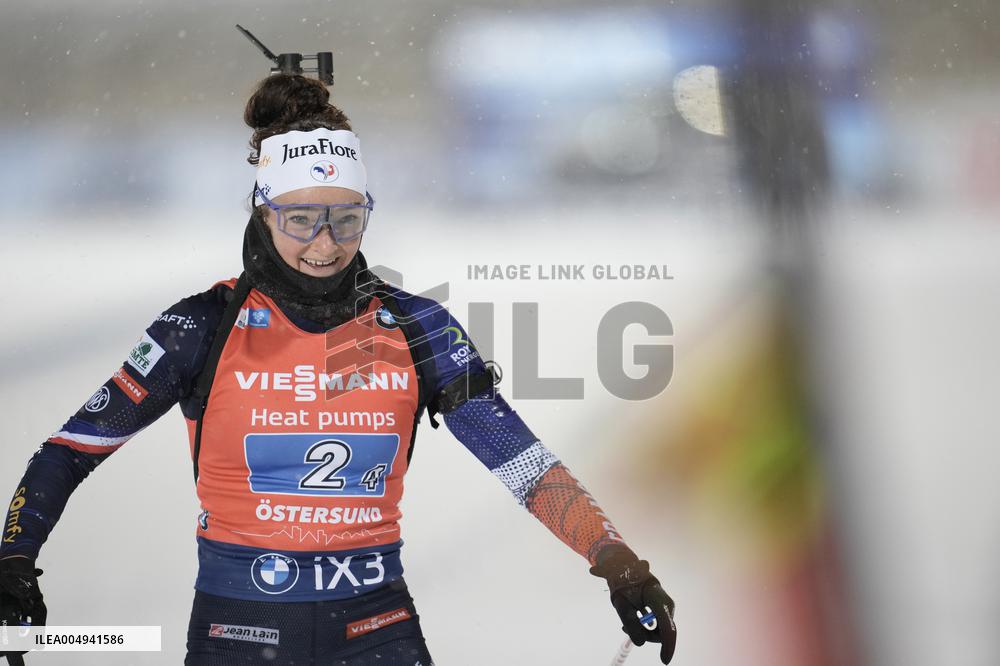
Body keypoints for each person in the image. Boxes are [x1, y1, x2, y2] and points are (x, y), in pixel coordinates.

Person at [0, 74, 676, 665]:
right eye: (301, 221)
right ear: (262, 212)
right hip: (237, 636)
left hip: (376, 634)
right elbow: (67, 451)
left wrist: (615, 560)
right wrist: (13, 561)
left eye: (347, 220)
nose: (326, 244)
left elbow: (523, 465)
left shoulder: (418, 328)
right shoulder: (200, 327)